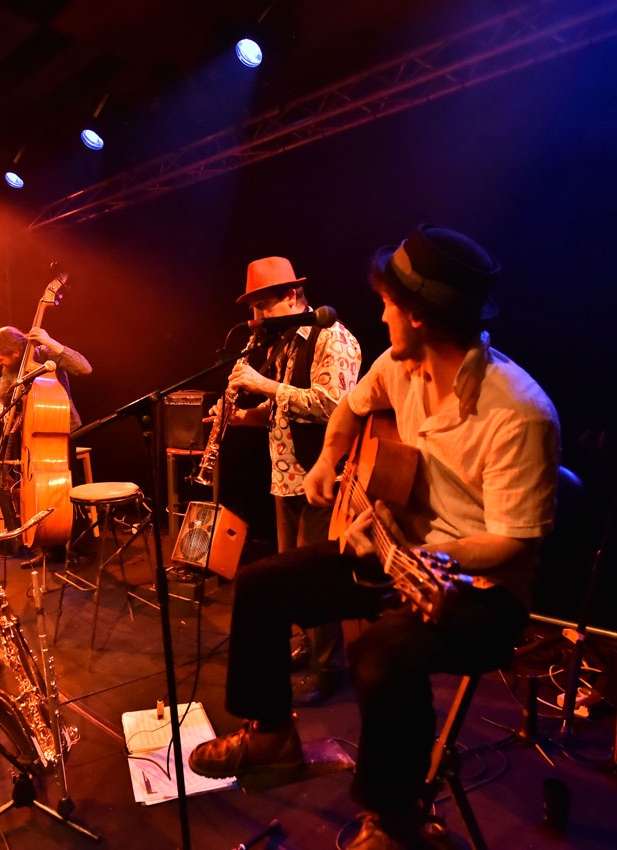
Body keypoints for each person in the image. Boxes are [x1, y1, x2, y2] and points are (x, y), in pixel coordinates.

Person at [189, 225, 560, 850]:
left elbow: (513, 544)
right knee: (261, 585)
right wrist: (330, 461)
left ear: (416, 314)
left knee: (381, 654)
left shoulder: (518, 411)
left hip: (481, 592)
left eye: (388, 303)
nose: (380, 313)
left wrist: (422, 553)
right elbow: (350, 409)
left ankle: (397, 816)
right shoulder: (397, 365)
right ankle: (273, 737)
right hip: (399, 552)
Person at [221, 256, 362, 705]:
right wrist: (242, 417)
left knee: (316, 577)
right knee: (293, 574)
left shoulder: (331, 339)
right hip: (286, 476)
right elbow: (287, 407)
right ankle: (308, 646)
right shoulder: (284, 344)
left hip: (321, 477)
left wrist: (262, 384)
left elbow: (332, 405)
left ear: (293, 295)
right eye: (254, 309)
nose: (256, 318)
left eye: (263, 306)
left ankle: (329, 668)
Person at [0, 326, 92, 433]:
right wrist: (2, 412)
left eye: (0, 359)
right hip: (31, 431)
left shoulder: (46, 354)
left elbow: (85, 369)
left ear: (15, 353)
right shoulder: (9, 369)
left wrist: (50, 342)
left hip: (64, 428)